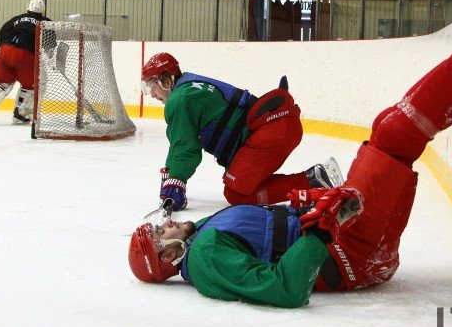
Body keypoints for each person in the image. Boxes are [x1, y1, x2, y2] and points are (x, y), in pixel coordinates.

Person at [128, 0, 452, 307]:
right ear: (167, 257)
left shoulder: (200, 240)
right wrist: (320, 227)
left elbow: (264, 230)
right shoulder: (205, 259)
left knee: (388, 136)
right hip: (349, 251)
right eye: (158, 233)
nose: (163, 224)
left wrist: (308, 210)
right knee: (391, 137)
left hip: (343, 238)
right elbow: (285, 288)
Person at [140, 52, 343, 209]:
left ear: (166, 81)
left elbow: (186, 147)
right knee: (242, 182)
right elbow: (179, 141)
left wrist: (176, 180)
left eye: (151, 86)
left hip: (272, 130)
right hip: (275, 126)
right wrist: (171, 174)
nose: (151, 94)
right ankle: (312, 179)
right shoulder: (188, 87)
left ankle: (313, 180)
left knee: (237, 193)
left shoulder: (178, 99)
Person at [0, 0, 51, 124]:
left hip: (5, 50)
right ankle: (20, 114)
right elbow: (50, 45)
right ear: (43, 10)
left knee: (1, 82)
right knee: (32, 87)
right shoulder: (46, 22)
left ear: (28, 7)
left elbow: (1, 35)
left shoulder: (17, 18)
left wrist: (8, 51)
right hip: (27, 54)